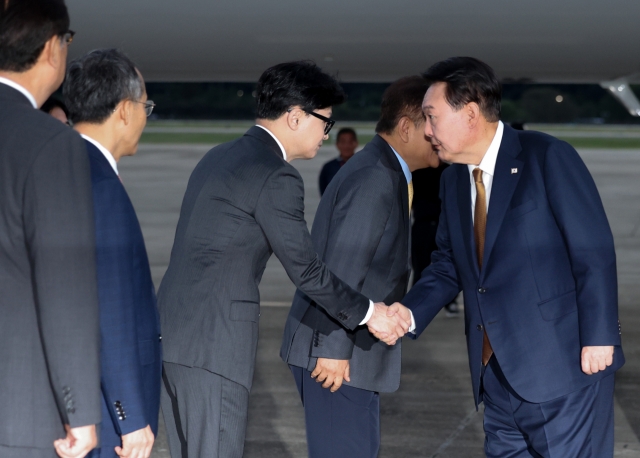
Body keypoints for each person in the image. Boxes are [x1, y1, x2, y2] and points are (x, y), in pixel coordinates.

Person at [158, 61, 409, 458]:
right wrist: (369, 313)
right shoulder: (277, 175)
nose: (326, 135)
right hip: (214, 345)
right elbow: (306, 270)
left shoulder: (219, 155)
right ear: (295, 117)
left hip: (173, 338)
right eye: (325, 122)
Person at [386, 57, 624, 457]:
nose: (427, 132)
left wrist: (600, 337)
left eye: (432, 117)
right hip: (495, 377)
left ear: (471, 114)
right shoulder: (454, 180)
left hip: (562, 369)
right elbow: (447, 264)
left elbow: (593, 251)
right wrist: (408, 314)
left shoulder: (547, 157)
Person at [281, 76, 437, 458]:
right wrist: (334, 347)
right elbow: (343, 264)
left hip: (348, 351)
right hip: (337, 356)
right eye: (432, 121)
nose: (440, 133)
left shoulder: (387, 171)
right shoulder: (375, 177)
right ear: (406, 127)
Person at [0, 1, 101, 457]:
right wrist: (79, 413)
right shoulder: (50, 143)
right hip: (19, 410)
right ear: (51, 49)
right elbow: (64, 287)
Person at [64, 49, 162, 458]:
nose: (145, 116)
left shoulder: (62, 163)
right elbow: (111, 306)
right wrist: (131, 417)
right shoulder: (100, 184)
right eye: (145, 106)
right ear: (124, 109)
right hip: (105, 416)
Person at [410, 164, 460, 317]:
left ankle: (450, 301)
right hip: (423, 223)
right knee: (420, 265)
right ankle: (413, 305)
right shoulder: (416, 171)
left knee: (449, 263)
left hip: (443, 224)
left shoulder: (449, 171)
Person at [318, 127, 358, 195]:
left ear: (356, 143)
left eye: (350, 142)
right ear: (337, 144)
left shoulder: (364, 165)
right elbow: (324, 193)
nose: (346, 146)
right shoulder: (329, 167)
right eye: (343, 142)